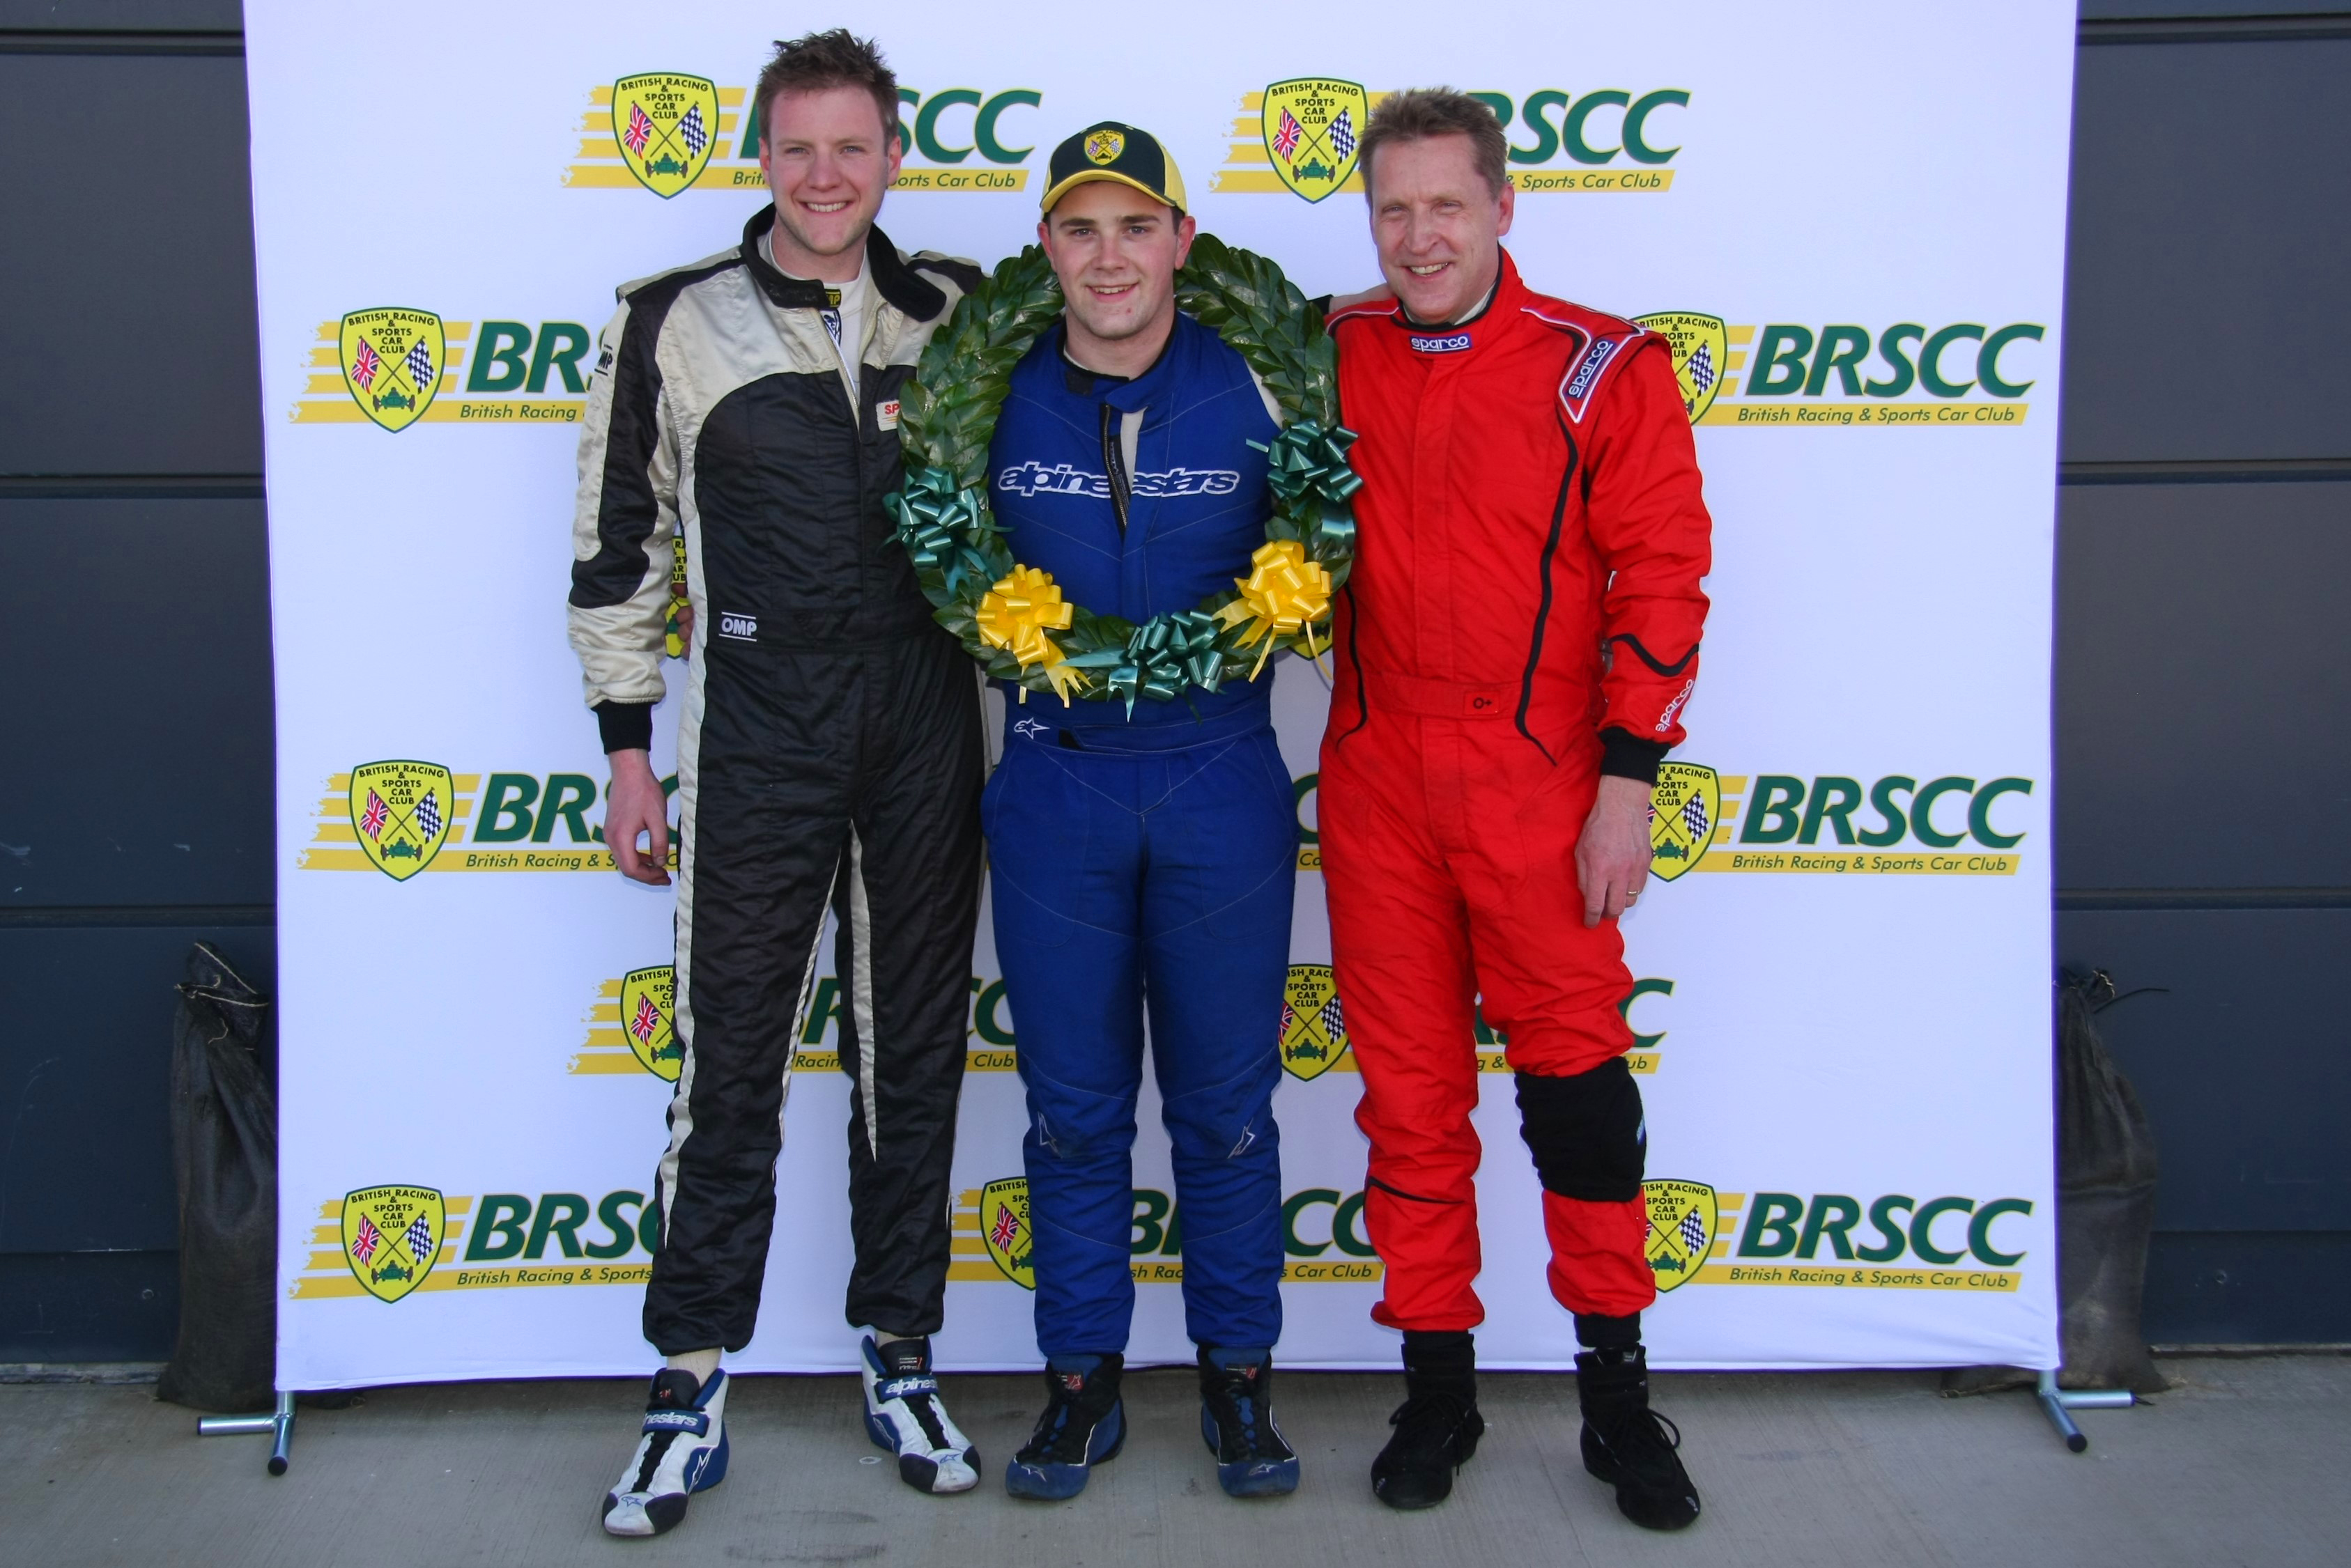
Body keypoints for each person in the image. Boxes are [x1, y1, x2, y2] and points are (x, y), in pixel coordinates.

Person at [566, 31, 988, 1537]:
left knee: (911, 1057)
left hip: (931, 717)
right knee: (730, 1056)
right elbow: (621, 550)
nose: (826, 176)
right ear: (762, 158)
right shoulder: (672, 323)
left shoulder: (961, 311)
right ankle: (687, 1383)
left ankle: (900, 1352)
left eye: (852, 147)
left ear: (891, 157)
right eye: (798, 148)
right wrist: (628, 746)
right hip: (757, 717)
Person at [1318, 89, 1712, 1531]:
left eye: (1446, 205)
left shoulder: (1596, 365)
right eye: (1393, 209)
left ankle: (1617, 1398)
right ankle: (1439, 1389)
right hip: (1372, 779)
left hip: (1543, 785)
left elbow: (1661, 576)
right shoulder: (1330, 351)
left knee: (1579, 1100)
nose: (1419, 236)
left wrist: (1627, 785)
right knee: (1411, 1104)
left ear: (1501, 206)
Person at [981, 122, 1300, 1503]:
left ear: (1181, 238)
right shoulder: (980, 391)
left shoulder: (1269, 380)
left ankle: (1237, 1378)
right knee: (1070, 1113)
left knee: (1226, 1113)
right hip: (1053, 780)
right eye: (1077, 228)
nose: (1107, 257)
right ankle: (1080, 1383)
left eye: (1133, 226)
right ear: (1045, 249)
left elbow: (1357, 540)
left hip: (1221, 772)